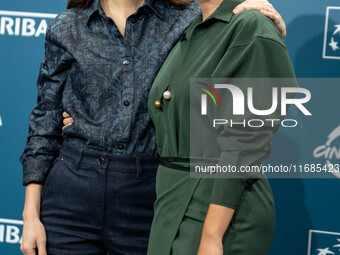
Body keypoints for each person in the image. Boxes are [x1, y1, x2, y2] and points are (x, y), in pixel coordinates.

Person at [19, 0, 287, 254]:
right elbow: (46, 117)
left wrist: (263, 20)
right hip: (71, 189)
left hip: (150, 191)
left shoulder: (186, 17)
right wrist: (30, 214)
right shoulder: (67, 26)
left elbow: (238, 40)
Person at [145, 0, 296, 254]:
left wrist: (213, 235)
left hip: (219, 210)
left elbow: (246, 141)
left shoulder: (252, 25)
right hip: (170, 207)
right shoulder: (195, 27)